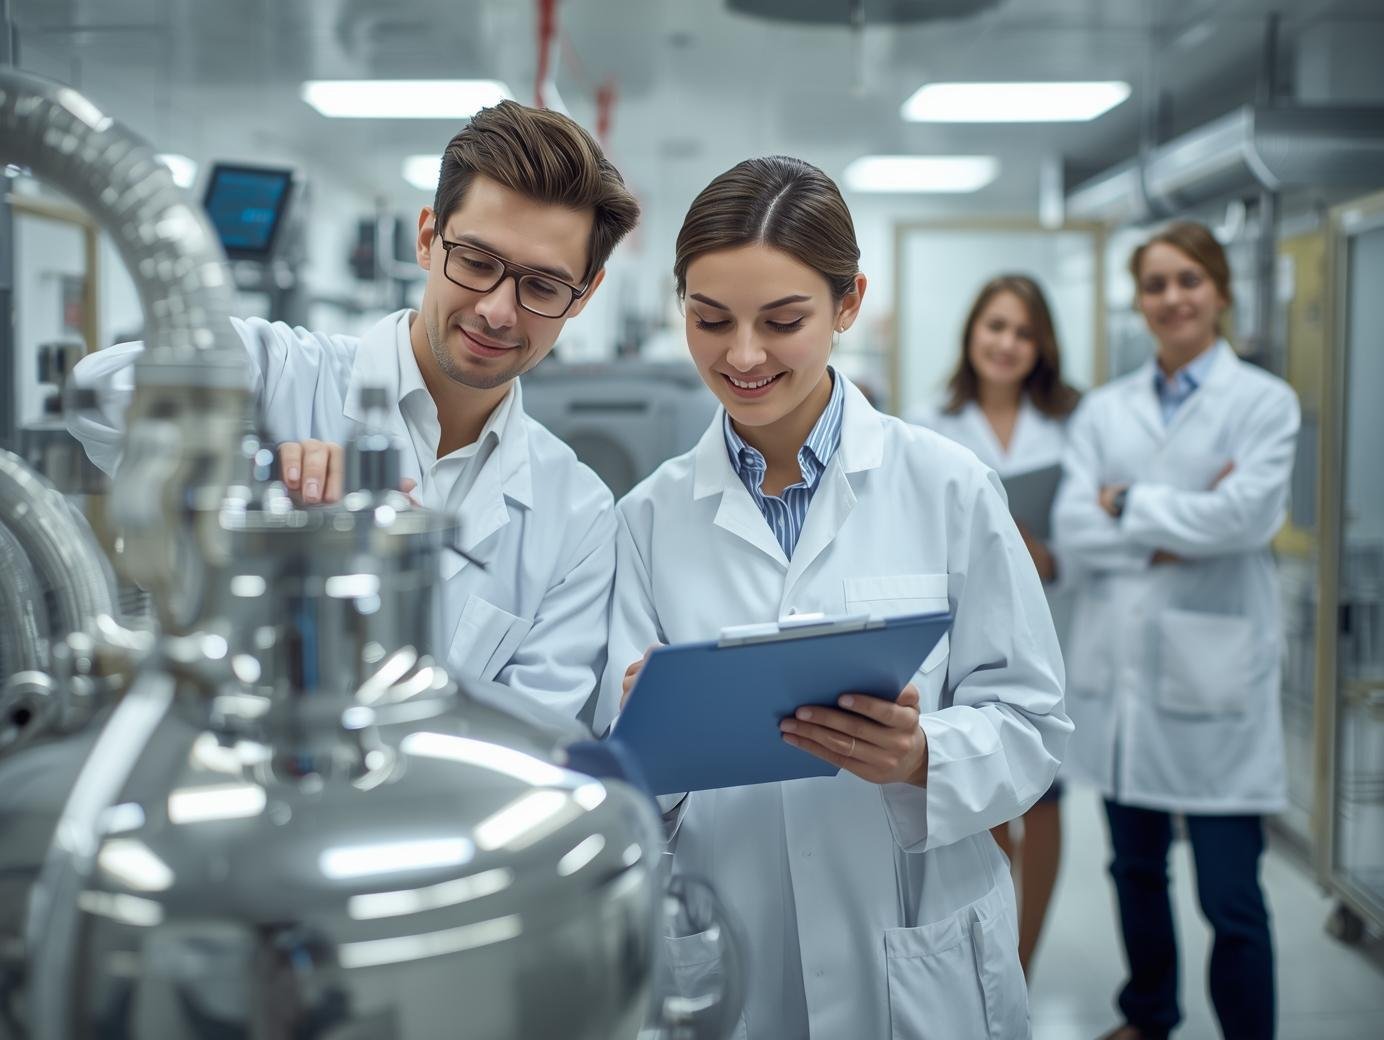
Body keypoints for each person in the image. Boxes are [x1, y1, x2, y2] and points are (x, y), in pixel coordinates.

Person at [594, 156, 1070, 1038]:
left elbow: (1034, 727)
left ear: (848, 304)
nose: (742, 355)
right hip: (732, 943)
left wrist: (924, 754)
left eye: (783, 321)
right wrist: (642, 741)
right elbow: (614, 779)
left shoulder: (950, 487)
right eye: (709, 319)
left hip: (915, 947)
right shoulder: (647, 519)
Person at [67, 101, 640, 720]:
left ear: (584, 296)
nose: (499, 311)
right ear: (427, 240)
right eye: (476, 262)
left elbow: (536, 731)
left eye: (542, 287)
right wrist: (257, 471)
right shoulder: (284, 371)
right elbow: (95, 393)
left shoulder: (577, 512)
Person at [1052, 221, 1299, 1040]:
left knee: (1231, 897)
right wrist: (1183, 521)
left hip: (1213, 685)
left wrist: (1125, 502)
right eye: (1155, 284)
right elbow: (1070, 530)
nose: (1172, 298)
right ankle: (1148, 1015)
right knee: (1134, 869)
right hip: (1123, 683)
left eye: (1188, 280)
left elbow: (1248, 515)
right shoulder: (1105, 409)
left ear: (1221, 292)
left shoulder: (1264, 404)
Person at [914, 274, 1081, 975]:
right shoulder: (930, 421)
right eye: (995, 327)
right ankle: (996, 957)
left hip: (1055, 623)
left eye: (1022, 331)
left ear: (1041, 344)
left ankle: (1026, 960)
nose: (1007, 344)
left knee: (1044, 799)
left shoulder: (1076, 423)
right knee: (985, 792)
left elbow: (1094, 525)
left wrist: (1054, 552)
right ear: (971, 334)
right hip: (963, 636)